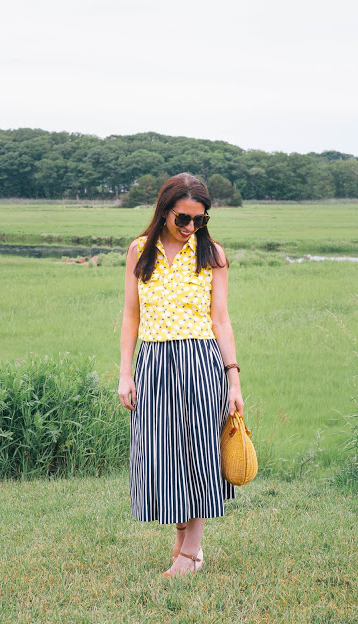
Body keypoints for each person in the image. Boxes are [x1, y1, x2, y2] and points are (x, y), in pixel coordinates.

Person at [118, 172, 243, 578]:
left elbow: (221, 320)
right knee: (162, 452)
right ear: (164, 211)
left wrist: (234, 379)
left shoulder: (213, 254)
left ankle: (191, 551)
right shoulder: (140, 250)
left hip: (200, 361)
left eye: (200, 220)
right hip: (153, 362)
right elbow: (131, 316)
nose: (191, 228)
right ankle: (182, 537)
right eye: (184, 219)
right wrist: (125, 373)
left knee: (198, 452)